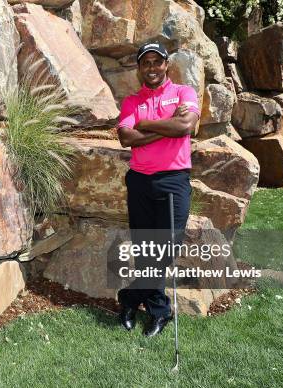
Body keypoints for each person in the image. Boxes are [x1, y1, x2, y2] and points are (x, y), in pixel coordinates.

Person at [115, 42, 200, 337]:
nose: (151, 67)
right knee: (145, 248)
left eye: (157, 62)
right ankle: (159, 311)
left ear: (166, 65)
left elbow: (185, 126)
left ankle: (129, 298)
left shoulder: (183, 93)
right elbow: (126, 137)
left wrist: (147, 123)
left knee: (165, 248)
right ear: (140, 68)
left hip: (173, 180)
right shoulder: (131, 101)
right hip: (140, 180)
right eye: (145, 63)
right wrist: (168, 125)